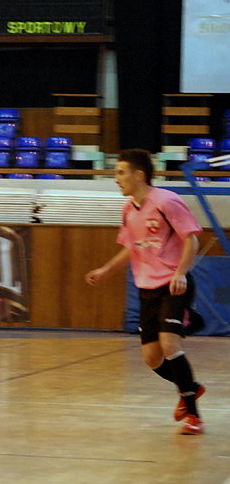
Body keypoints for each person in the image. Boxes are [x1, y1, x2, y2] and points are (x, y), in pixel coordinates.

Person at [85, 148, 205, 435]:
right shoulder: (129, 209)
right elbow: (131, 246)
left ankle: (194, 416)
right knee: (152, 358)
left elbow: (192, 241)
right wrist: (105, 270)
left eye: (120, 173)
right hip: (146, 287)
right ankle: (190, 388)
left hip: (173, 284)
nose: (116, 179)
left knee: (169, 345)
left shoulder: (166, 201)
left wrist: (180, 273)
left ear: (139, 175)